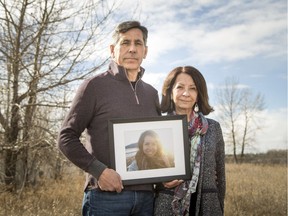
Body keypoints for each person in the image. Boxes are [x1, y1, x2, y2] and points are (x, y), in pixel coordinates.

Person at [57, 21, 161, 216]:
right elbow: (66, 137)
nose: (132, 49)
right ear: (113, 49)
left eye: (138, 43)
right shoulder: (94, 86)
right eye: (125, 43)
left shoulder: (152, 94)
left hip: (147, 199)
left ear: (145, 51)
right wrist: (99, 171)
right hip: (106, 198)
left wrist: (167, 175)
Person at [154, 66, 226, 216]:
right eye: (180, 87)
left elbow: (220, 175)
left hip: (207, 206)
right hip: (167, 205)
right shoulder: (158, 126)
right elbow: (147, 170)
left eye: (192, 88)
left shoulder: (213, 127)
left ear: (199, 94)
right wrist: (161, 182)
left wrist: (219, 206)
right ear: (170, 91)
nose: (186, 93)